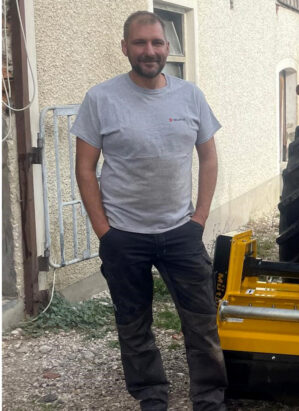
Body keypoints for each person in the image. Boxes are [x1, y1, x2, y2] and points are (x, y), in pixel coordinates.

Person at [72, 11, 226, 411]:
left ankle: (209, 399)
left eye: (156, 43)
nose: (149, 51)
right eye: (140, 43)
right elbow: (84, 168)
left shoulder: (190, 95)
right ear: (125, 48)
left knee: (202, 322)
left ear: (167, 48)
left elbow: (208, 158)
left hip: (181, 232)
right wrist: (105, 231)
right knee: (133, 323)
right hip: (124, 235)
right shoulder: (100, 99)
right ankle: (151, 395)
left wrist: (199, 220)